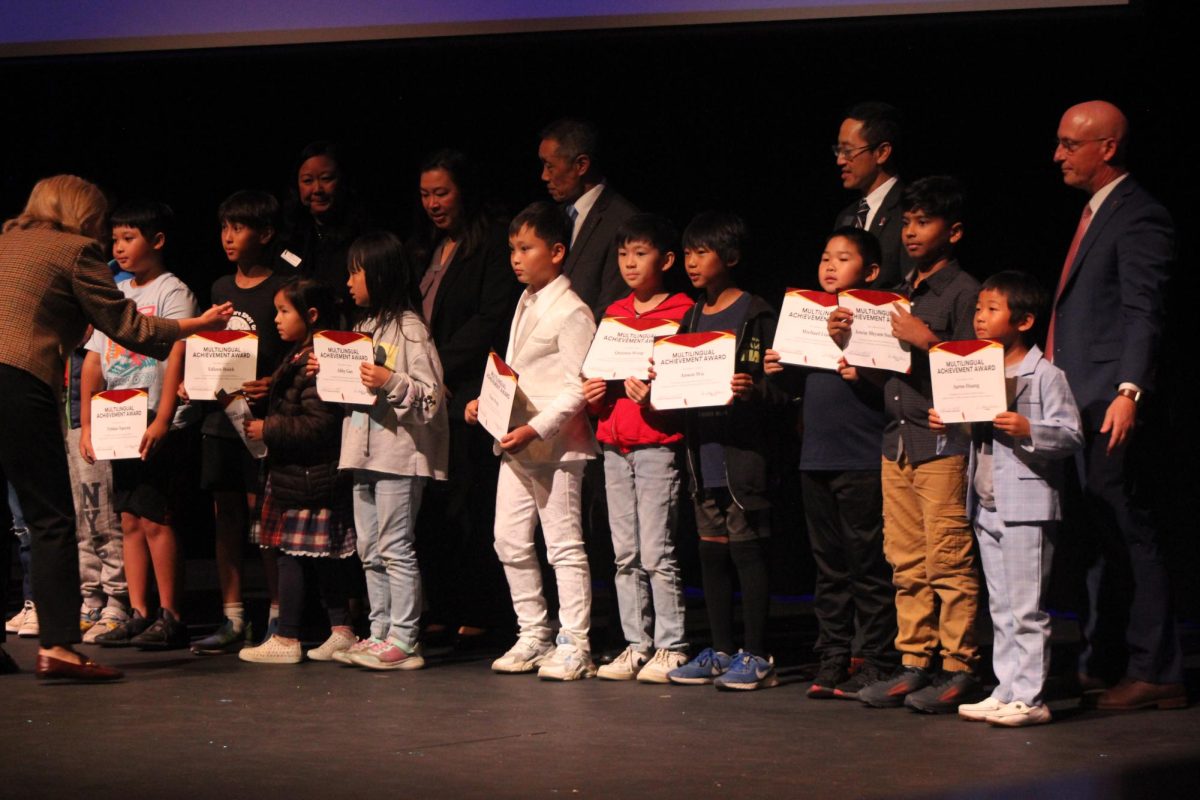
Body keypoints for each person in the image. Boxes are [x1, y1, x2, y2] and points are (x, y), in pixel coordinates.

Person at [0, 174, 231, 680]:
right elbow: (131, 328)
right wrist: (198, 325)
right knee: (51, 519)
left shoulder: (6, 240)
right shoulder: (74, 249)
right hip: (16, 380)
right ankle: (59, 645)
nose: (105, 235)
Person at [829, 177, 984, 713]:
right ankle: (915, 661)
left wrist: (932, 343)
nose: (912, 232)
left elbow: (977, 379)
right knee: (905, 561)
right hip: (896, 440)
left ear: (954, 231)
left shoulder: (965, 293)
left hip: (942, 443)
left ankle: (960, 665)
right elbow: (892, 379)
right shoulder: (897, 294)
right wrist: (852, 354)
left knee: (948, 559)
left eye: (925, 222)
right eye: (908, 221)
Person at [1048, 100, 1184, 710]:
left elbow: (1142, 311)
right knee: (1099, 533)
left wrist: (1130, 391)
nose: (1058, 155)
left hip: (1109, 401)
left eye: (1069, 144)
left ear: (1107, 148)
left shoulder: (1140, 215)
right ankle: (1103, 658)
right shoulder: (1096, 212)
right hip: (1080, 400)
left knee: (1129, 532)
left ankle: (1156, 671)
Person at [928, 271, 1083, 727]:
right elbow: (976, 432)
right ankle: (1007, 689)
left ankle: (1032, 697)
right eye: (978, 309)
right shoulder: (980, 371)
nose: (979, 317)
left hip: (1027, 507)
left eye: (991, 309)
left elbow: (1072, 435)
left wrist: (1030, 429)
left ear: (1024, 320)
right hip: (987, 502)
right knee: (999, 607)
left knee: (1026, 607)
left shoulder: (1045, 374)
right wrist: (949, 421)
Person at [465, 201, 599, 681]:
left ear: (558, 251)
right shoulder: (526, 300)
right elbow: (519, 371)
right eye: (512, 249)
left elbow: (578, 386)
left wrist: (535, 427)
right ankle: (534, 632)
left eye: (526, 248)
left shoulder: (573, 311)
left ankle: (575, 642)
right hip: (518, 443)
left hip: (557, 446)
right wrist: (487, 402)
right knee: (508, 539)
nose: (516, 258)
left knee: (562, 544)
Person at [764, 227, 898, 700]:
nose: (829, 266)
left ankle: (878, 659)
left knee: (868, 564)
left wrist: (860, 364)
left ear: (872, 271)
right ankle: (835, 655)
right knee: (829, 566)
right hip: (815, 456)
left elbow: (893, 390)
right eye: (825, 256)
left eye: (842, 258)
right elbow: (800, 390)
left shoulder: (884, 318)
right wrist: (780, 369)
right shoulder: (807, 317)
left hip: (861, 456)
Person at [665, 211, 786, 691]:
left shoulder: (754, 313)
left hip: (743, 455)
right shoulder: (691, 315)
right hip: (703, 455)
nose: (692, 263)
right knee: (711, 552)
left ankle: (757, 654)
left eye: (703, 253)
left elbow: (779, 387)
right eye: (688, 253)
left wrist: (751, 388)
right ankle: (719, 650)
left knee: (746, 551)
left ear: (730, 257)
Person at [404, 149, 520, 647]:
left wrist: (438, 369)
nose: (433, 203)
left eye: (442, 192)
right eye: (426, 194)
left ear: (465, 192)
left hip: (468, 392)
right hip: (431, 393)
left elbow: (490, 319)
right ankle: (444, 606)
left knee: (471, 506)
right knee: (432, 508)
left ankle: (481, 609)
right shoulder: (428, 246)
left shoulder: (491, 244)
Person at [328, 231, 448, 671]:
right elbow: (353, 393)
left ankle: (405, 639)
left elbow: (433, 398)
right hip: (362, 452)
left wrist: (389, 381)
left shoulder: (410, 329)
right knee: (370, 548)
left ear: (378, 274)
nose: (349, 282)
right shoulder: (362, 328)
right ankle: (379, 632)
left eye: (355, 273)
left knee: (396, 547)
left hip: (398, 456)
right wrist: (330, 374)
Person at [81, 201, 197, 649]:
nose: (119, 247)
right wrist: (88, 424)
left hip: (155, 419)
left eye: (129, 238)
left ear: (158, 241)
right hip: (118, 418)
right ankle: (139, 610)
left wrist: (165, 418)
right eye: (115, 239)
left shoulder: (173, 291)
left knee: (155, 518)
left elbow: (178, 354)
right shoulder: (115, 292)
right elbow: (94, 359)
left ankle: (171, 613)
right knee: (129, 518)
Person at [582, 213, 693, 683]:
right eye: (624, 254)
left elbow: (693, 381)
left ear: (665, 260)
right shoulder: (614, 313)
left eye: (640, 253)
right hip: (613, 444)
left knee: (656, 552)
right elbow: (599, 376)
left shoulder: (684, 311)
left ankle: (672, 645)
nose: (630, 263)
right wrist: (593, 396)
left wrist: (659, 394)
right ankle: (636, 643)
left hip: (656, 444)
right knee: (623, 553)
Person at [189, 191, 289, 655]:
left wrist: (272, 382)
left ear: (264, 234)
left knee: (263, 520)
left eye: (239, 228)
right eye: (224, 227)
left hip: (261, 421)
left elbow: (293, 351)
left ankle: (277, 616)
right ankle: (232, 617)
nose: (228, 237)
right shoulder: (219, 289)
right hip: (219, 419)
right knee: (225, 516)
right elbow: (212, 346)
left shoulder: (282, 288)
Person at [238, 279, 358, 665]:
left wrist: (268, 429)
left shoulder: (315, 361)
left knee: (292, 556)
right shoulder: (301, 356)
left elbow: (320, 424)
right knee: (321, 558)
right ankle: (340, 629)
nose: (276, 319)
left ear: (311, 315)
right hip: (302, 473)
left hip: (310, 474)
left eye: (284, 311)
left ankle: (288, 637)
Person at [538, 118, 637, 320]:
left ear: (581, 165)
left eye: (550, 167)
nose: (544, 176)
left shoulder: (623, 221)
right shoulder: (554, 216)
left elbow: (613, 305)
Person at [65, 332, 128, 644]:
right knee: (83, 521)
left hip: (106, 417)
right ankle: (91, 600)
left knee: (102, 518)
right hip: (74, 420)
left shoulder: (105, 296)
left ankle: (117, 602)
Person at [279, 141, 368, 316]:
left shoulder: (362, 238)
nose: (317, 189)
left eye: (326, 179)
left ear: (343, 181)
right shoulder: (287, 236)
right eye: (307, 181)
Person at [831, 102, 911, 289]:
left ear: (882, 153)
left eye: (848, 151)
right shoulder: (846, 217)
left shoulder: (910, 210)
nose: (840, 160)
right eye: (838, 150)